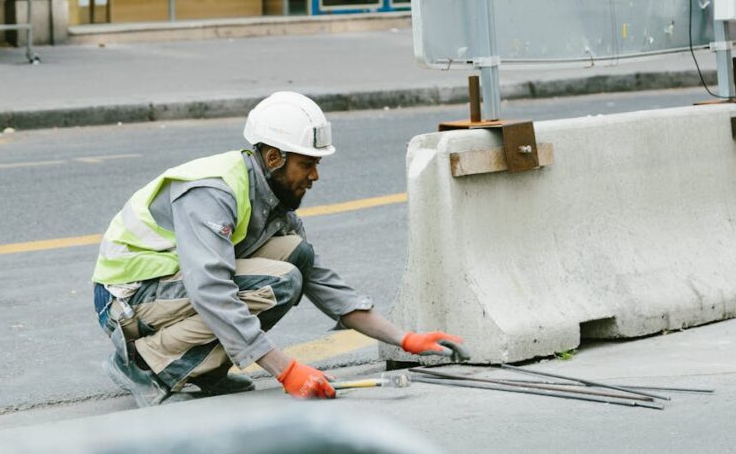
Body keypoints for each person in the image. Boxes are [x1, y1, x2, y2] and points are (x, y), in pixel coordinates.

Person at [91, 91, 466, 406]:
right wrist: (285, 369)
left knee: (295, 255)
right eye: (307, 164)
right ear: (274, 158)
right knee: (280, 282)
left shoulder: (272, 199)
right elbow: (212, 291)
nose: (315, 176)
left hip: (168, 291)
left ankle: (203, 371)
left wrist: (404, 338)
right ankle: (145, 365)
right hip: (127, 300)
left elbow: (322, 281)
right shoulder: (213, 192)